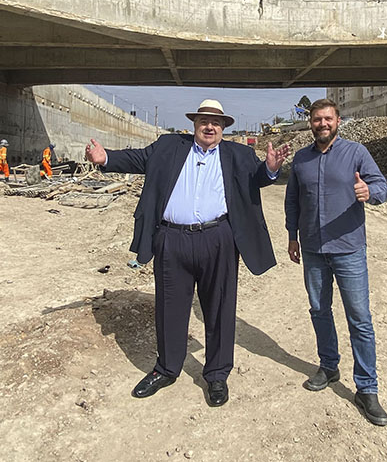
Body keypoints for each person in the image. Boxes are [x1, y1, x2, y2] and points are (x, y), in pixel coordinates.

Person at [85, 99, 290, 407]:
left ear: (223, 128)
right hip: (171, 238)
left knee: (220, 307)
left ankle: (217, 375)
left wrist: (271, 169)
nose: (210, 126)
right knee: (169, 307)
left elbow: (257, 178)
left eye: (216, 122)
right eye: (204, 121)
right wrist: (105, 159)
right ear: (195, 125)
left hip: (218, 238)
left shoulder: (238, 154)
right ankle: (167, 369)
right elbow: (137, 159)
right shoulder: (169, 147)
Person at [284, 98, 387, 426]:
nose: (322, 124)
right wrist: (292, 236)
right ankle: (329, 366)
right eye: (317, 119)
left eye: (327, 119)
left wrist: (368, 193)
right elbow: (292, 201)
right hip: (314, 250)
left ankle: (366, 389)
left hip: (348, 249)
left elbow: (382, 187)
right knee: (319, 310)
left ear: (338, 121)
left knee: (359, 318)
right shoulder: (301, 159)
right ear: (311, 123)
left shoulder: (356, 153)